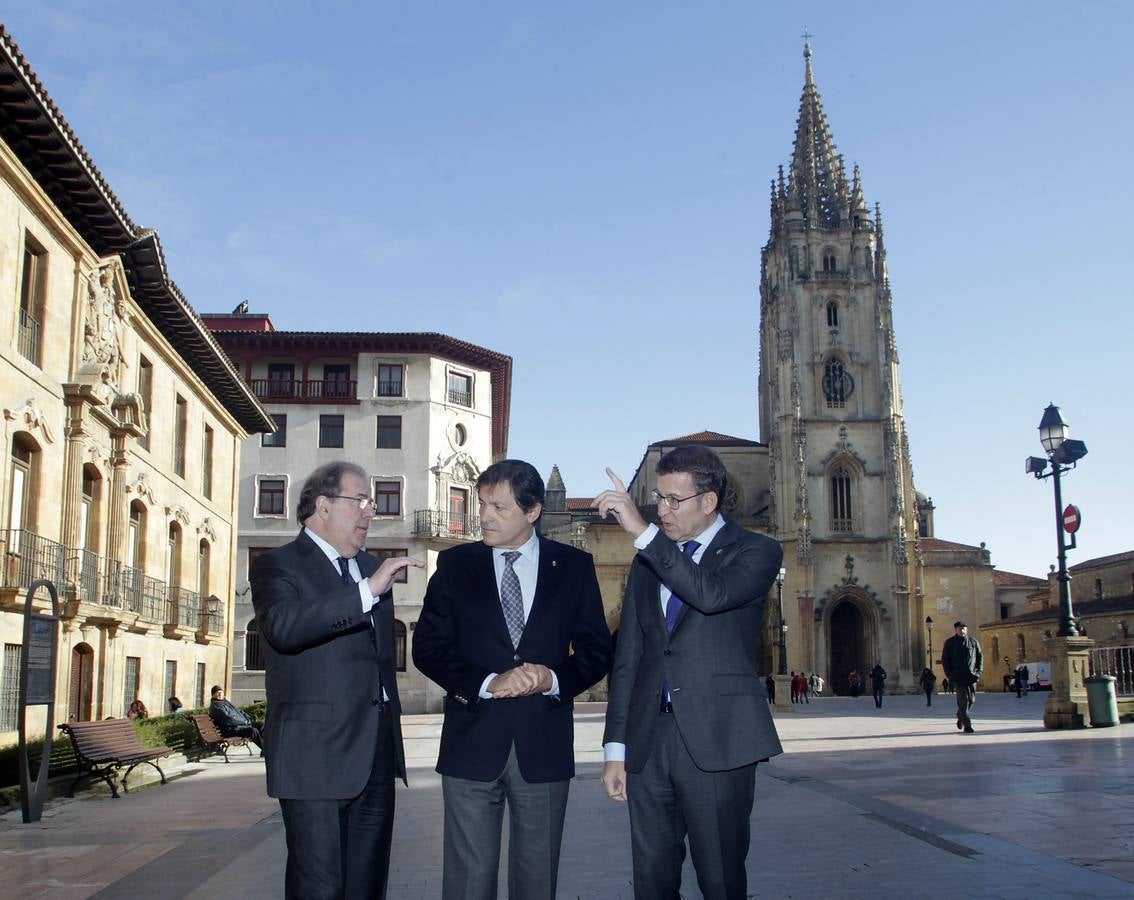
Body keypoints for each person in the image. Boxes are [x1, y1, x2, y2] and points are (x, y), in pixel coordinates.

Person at [412, 459, 611, 900]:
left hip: (543, 747)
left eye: (499, 508)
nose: (483, 516)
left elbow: (598, 651)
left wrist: (552, 678)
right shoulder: (455, 564)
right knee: (468, 883)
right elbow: (427, 647)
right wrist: (485, 683)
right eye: (483, 504)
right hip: (471, 744)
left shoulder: (574, 566)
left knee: (537, 880)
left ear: (532, 511)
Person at [597, 446, 784, 900]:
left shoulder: (757, 551)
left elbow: (710, 595)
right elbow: (630, 659)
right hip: (648, 742)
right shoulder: (647, 563)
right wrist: (614, 748)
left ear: (709, 501)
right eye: (658, 498)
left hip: (719, 740)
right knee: (652, 882)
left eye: (673, 500)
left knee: (720, 878)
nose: (662, 510)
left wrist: (642, 533)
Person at [251, 461, 423, 899]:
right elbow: (284, 628)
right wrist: (367, 592)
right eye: (360, 501)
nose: (370, 512)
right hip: (313, 758)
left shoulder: (371, 565)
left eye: (371, 503)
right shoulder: (277, 565)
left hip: (376, 753)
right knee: (320, 887)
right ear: (322, 506)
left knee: (367, 887)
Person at [941, 620, 983, 734]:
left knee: (972, 700)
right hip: (957, 677)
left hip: (971, 676)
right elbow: (945, 660)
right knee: (963, 701)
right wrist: (949, 674)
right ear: (956, 630)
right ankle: (967, 725)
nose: (962, 630)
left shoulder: (973, 642)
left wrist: (978, 671)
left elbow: (980, 656)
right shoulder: (949, 643)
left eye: (964, 628)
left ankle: (960, 716)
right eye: (960, 628)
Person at [208, 685, 265, 754]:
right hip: (230, 730)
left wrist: (247, 717)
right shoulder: (216, 707)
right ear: (213, 695)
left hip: (239, 726)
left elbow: (238, 711)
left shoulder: (225, 702)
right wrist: (244, 722)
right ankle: (266, 751)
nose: (220, 694)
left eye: (221, 692)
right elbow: (229, 719)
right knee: (253, 731)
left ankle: (267, 747)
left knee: (261, 724)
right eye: (217, 692)